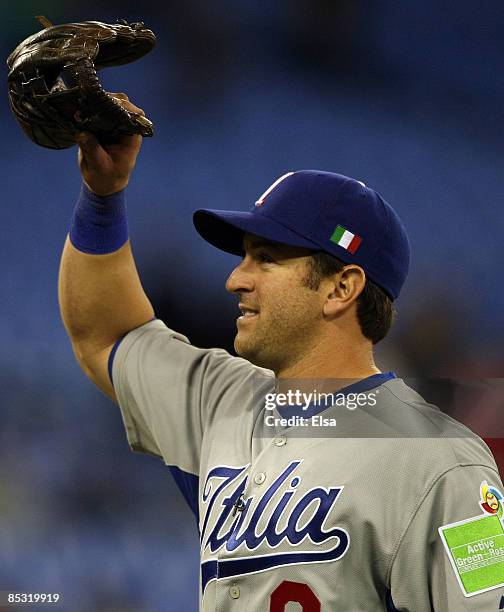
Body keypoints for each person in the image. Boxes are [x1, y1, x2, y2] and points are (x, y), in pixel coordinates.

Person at [59, 93, 504, 611]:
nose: (234, 279)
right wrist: (102, 196)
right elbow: (105, 336)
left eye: (265, 259)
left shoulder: (444, 462)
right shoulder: (218, 402)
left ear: (341, 288)